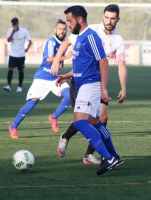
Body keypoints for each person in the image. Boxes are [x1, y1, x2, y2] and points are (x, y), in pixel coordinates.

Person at [51, 4, 126, 166]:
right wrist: (61, 66)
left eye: (113, 18)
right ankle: (67, 137)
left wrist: (119, 87)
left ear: (117, 19)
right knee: (90, 120)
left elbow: (113, 63)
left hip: (93, 82)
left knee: (92, 119)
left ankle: (103, 156)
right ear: (102, 17)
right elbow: (79, 58)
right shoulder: (88, 31)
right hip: (81, 82)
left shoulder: (115, 39)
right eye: (106, 17)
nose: (109, 21)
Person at [8, 19, 72, 139]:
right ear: (55, 29)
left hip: (54, 78)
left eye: (64, 29)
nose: (62, 31)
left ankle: (53, 117)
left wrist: (61, 63)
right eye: (59, 29)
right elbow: (49, 59)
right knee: (32, 103)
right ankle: (14, 126)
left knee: (70, 96)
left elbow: (59, 62)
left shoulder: (64, 43)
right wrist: (66, 57)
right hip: (42, 77)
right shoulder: (51, 42)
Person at [3, 17, 33, 92]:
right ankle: (8, 85)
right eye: (13, 24)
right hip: (13, 54)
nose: (14, 25)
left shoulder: (24, 31)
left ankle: (20, 86)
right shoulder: (10, 30)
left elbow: (30, 41)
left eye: (15, 24)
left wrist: (27, 49)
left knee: (21, 70)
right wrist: (13, 32)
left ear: (18, 23)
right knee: (10, 69)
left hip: (21, 55)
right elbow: (8, 40)